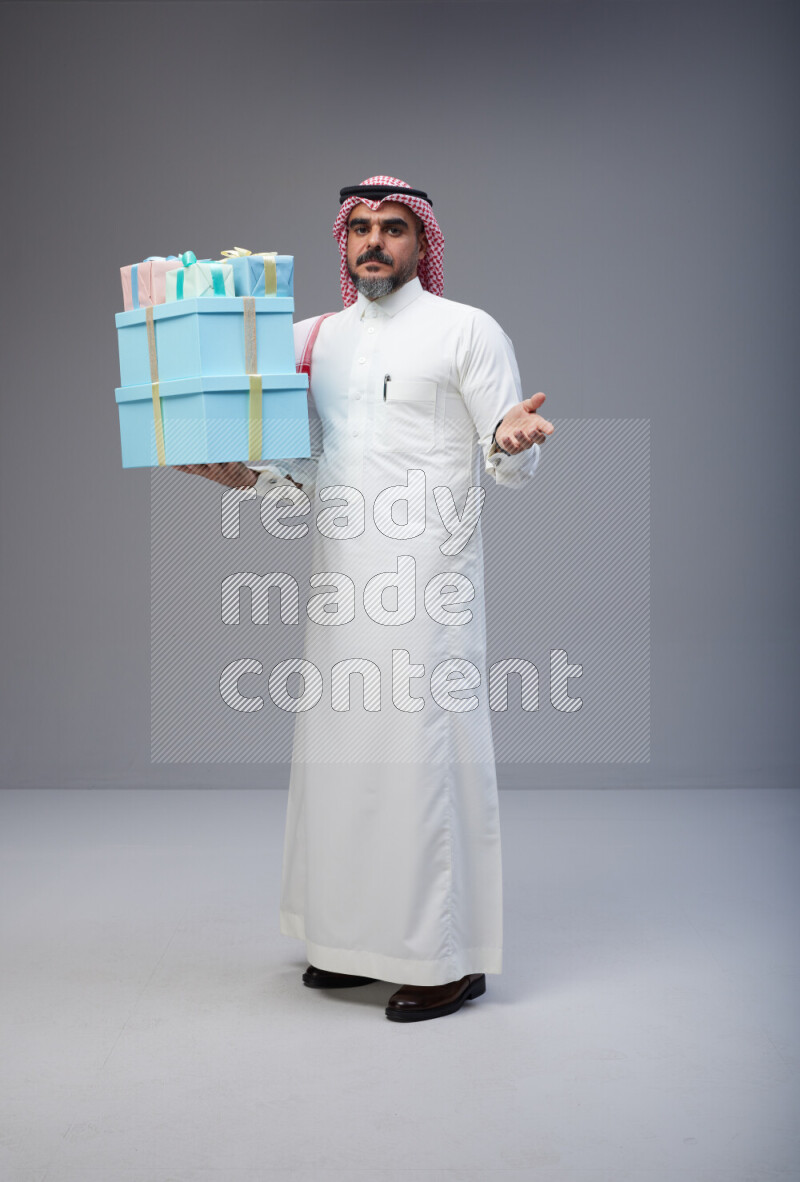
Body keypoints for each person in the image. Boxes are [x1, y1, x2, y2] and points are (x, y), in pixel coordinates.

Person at [175, 175, 554, 1022]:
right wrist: (244, 476)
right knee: (342, 760)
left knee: (421, 760)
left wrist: (514, 439)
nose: (374, 241)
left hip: (428, 580)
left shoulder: (466, 330)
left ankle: (445, 960)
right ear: (342, 243)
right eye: (361, 229)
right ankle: (350, 945)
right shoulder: (315, 339)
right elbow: (310, 467)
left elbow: (508, 452)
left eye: (393, 228)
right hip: (342, 577)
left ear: (422, 243)